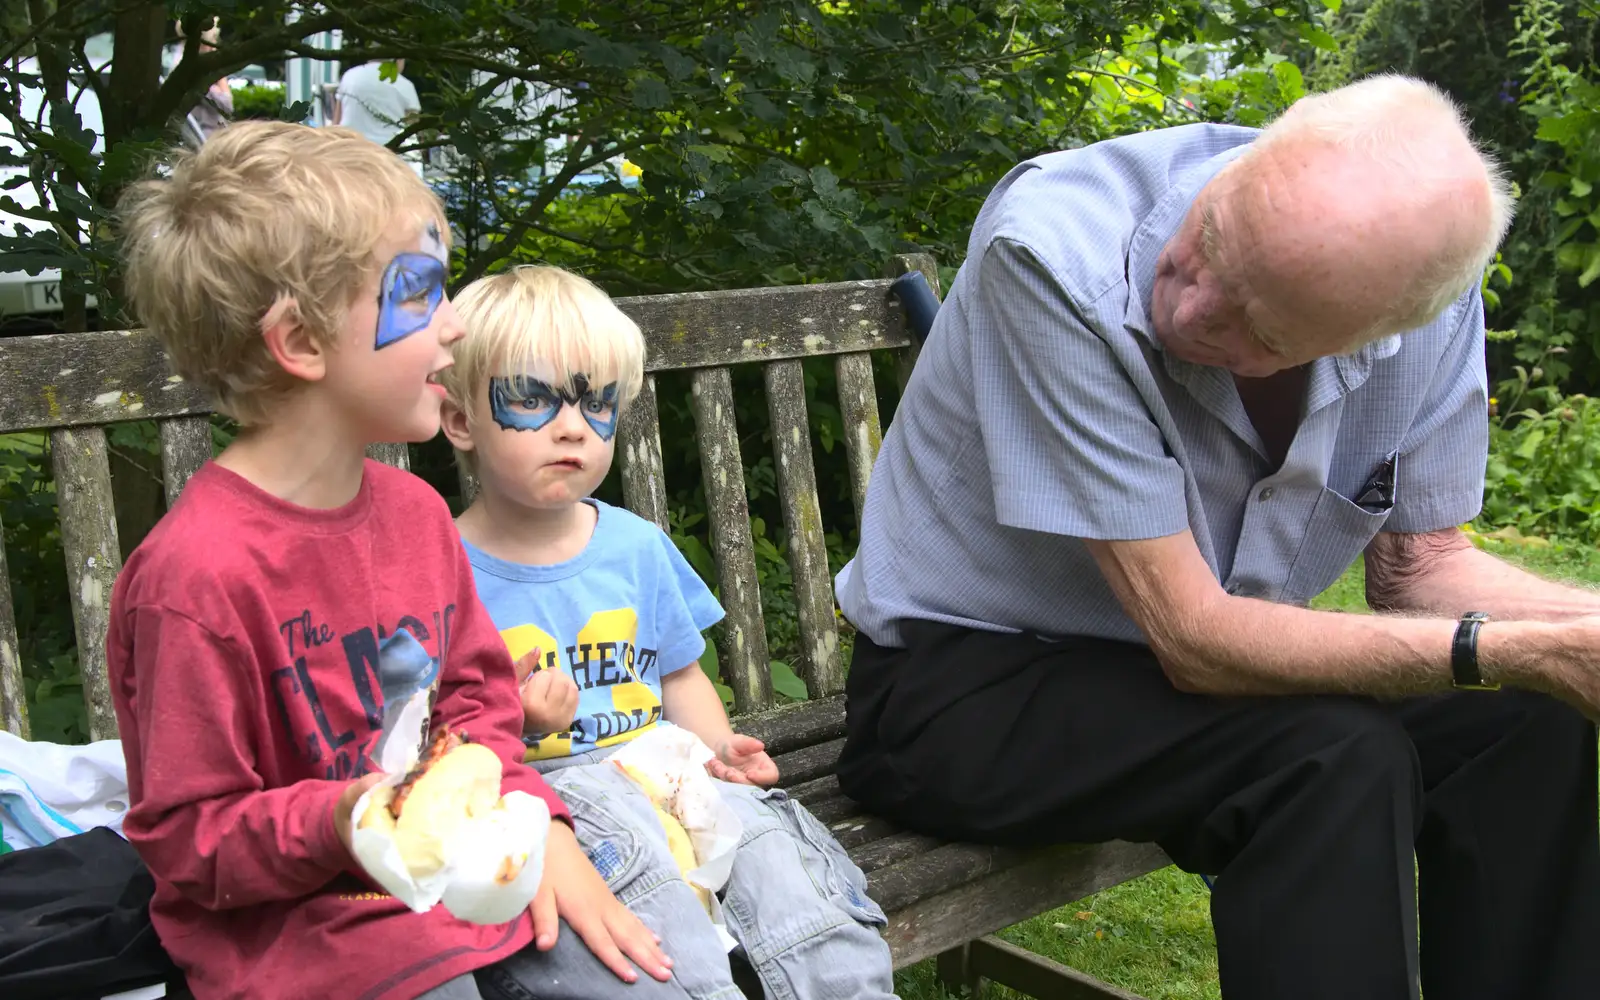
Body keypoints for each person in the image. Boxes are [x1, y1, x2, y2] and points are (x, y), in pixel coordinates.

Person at [834, 73, 1600, 1000]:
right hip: (958, 690)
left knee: (1526, 715)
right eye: (1208, 245)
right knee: (1331, 757)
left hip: (1183, 684)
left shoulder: (1432, 300)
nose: (1188, 311)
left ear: (1376, 329)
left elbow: (1423, 567)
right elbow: (1196, 639)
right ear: (1255, 155)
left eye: (1261, 328)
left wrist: (1569, 641)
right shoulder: (1052, 254)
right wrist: (1505, 645)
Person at [110, 121, 671, 1000]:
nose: (452, 324)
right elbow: (190, 840)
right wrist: (346, 819)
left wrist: (543, 822)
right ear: (299, 342)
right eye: (417, 296)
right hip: (317, 942)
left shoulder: (413, 513)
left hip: (472, 879)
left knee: (648, 976)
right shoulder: (196, 578)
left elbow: (480, 700)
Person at [437, 265, 898, 999]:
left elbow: (679, 674)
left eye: (597, 403)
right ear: (460, 420)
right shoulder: (443, 571)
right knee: (651, 943)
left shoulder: (635, 545)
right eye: (531, 398)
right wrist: (514, 720)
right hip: (550, 798)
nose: (571, 426)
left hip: (664, 771)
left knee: (787, 880)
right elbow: (440, 746)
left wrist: (720, 751)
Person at [335, 59, 424, 176]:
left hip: (352, 156)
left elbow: (336, 122)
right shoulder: (404, 84)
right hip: (396, 160)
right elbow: (413, 126)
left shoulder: (349, 76)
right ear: (398, 59)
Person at [174, 17, 231, 142]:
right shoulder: (198, 75)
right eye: (213, 39)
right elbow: (227, 106)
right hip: (205, 139)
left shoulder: (179, 64)